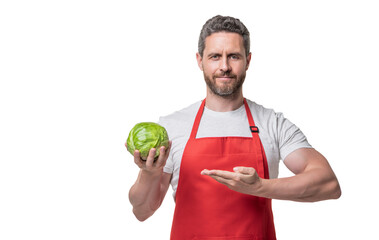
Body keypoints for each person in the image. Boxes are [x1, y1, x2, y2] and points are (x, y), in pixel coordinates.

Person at [127, 15, 341, 240]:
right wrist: (149, 173)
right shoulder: (173, 126)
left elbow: (328, 183)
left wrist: (260, 187)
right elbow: (142, 210)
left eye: (234, 56)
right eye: (215, 56)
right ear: (200, 61)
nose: (225, 66)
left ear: (248, 60)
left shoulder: (272, 123)